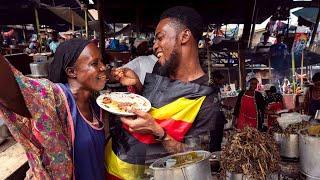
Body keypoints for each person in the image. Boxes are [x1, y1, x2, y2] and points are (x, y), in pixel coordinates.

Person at [106, 6, 224, 179]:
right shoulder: (160, 69)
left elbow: (198, 158)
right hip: (115, 166)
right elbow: (156, 107)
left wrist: (158, 132)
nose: (154, 46)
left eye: (160, 38)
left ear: (184, 36)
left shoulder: (207, 99)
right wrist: (137, 85)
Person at [0, 39, 112, 179]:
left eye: (102, 61)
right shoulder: (54, 100)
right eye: (95, 63)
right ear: (71, 72)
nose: (103, 67)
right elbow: (11, 90)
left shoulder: (97, 105)